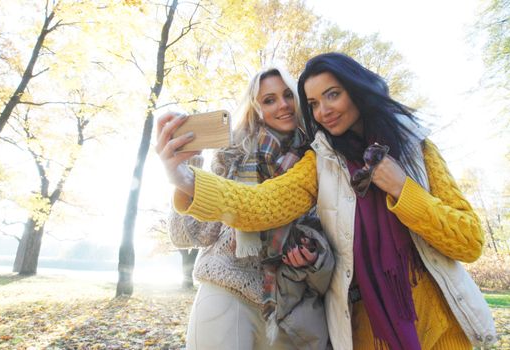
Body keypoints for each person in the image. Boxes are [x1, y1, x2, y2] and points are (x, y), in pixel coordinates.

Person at [157, 53, 497, 350]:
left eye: (332, 95)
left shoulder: (416, 149)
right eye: (315, 103)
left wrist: (403, 189)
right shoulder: (321, 162)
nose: (324, 111)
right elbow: (261, 204)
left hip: (441, 324)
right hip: (366, 330)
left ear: (356, 90)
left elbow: (469, 241)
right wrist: (185, 179)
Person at [166, 67, 334, 350]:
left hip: (292, 309)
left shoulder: (320, 163)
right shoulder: (232, 154)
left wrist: (312, 260)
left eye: (287, 95)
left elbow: (332, 251)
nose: (282, 105)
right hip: (227, 292)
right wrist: (186, 172)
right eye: (268, 100)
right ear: (256, 109)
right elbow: (188, 236)